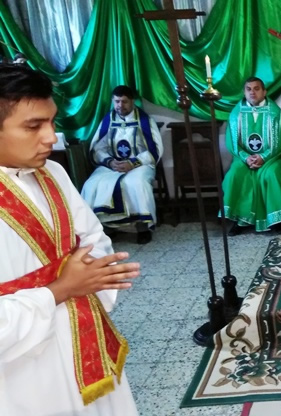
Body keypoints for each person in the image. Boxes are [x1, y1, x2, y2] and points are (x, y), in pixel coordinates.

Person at [0, 65, 139, 414]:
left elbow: (92, 236)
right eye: (34, 126)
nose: (51, 137)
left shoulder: (53, 172)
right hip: (22, 369)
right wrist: (61, 289)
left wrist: (93, 271)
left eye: (51, 122)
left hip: (83, 336)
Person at [81, 85, 163, 244]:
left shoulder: (144, 121)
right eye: (117, 101)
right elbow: (98, 148)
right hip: (113, 164)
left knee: (135, 183)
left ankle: (142, 228)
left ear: (132, 101)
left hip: (140, 164)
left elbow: (155, 150)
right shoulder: (108, 120)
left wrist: (133, 163)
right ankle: (106, 228)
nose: (120, 105)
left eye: (124, 102)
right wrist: (109, 161)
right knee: (91, 185)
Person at [222, 77, 281, 235]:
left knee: (272, 174)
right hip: (243, 159)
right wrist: (246, 157)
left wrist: (263, 157)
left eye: (256, 88)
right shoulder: (236, 113)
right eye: (248, 89)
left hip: (271, 158)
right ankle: (241, 219)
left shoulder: (274, 112)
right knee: (235, 174)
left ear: (264, 92)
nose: (252, 92)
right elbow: (232, 141)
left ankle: (279, 220)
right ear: (244, 92)